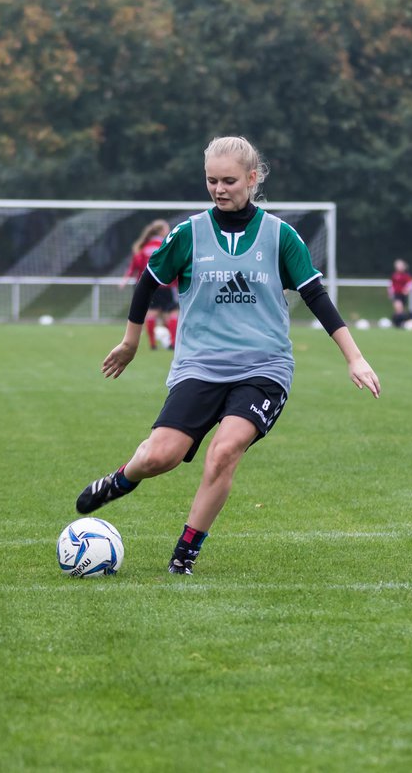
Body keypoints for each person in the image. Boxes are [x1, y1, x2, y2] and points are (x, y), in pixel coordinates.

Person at [77, 136, 381, 574]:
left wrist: (355, 357)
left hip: (264, 369)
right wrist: (130, 341)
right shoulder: (189, 233)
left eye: (229, 181)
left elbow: (316, 296)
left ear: (253, 179)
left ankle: (184, 554)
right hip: (199, 366)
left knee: (224, 452)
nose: (219, 189)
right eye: (211, 181)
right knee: (160, 456)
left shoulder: (280, 236)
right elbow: (148, 281)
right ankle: (124, 478)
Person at [122, 219, 178, 349]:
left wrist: (126, 279)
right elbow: (173, 266)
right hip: (166, 285)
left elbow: (136, 266)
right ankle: (174, 343)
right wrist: (177, 282)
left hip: (150, 286)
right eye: (166, 228)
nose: (168, 231)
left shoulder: (143, 248)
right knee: (172, 314)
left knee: (152, 313)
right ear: (160, 231)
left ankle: (153, 343)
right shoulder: (165, 245)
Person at [388, 258, 412, 328]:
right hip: (396, 295)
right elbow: (391, 285)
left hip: (402, 295)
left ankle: (400, 323)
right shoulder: (394, 275)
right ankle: (398, 322)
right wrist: (390, 292)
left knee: (401, 310)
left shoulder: (406, 276)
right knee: (398, 307)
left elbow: (411, 284)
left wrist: (406, 290)